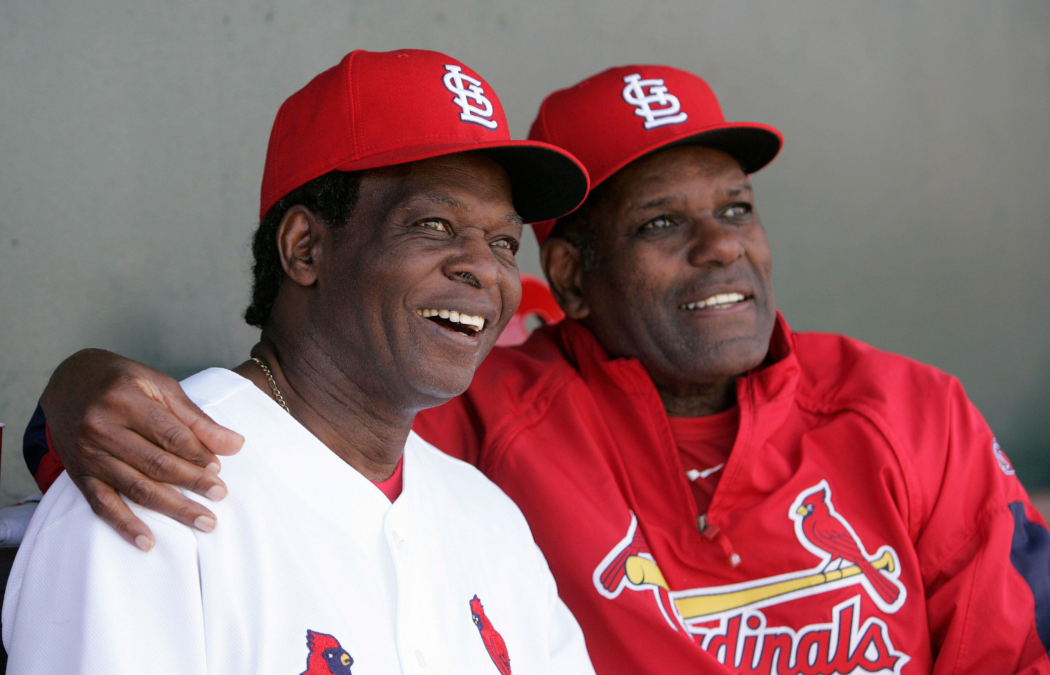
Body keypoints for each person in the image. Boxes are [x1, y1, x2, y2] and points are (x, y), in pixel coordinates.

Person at [21, 64, 1050, 674]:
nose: (721, 249)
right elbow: (264, 430)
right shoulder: (487, 414)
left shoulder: (905, 409)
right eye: (659, 223)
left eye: (735, 209)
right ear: (577, 275)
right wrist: (78, 393)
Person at [3, 48, 597, 675]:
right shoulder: (153, 481)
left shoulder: (487, 517)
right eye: (434, 224)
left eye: (503, 241)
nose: (483, 266)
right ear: (305, 248)